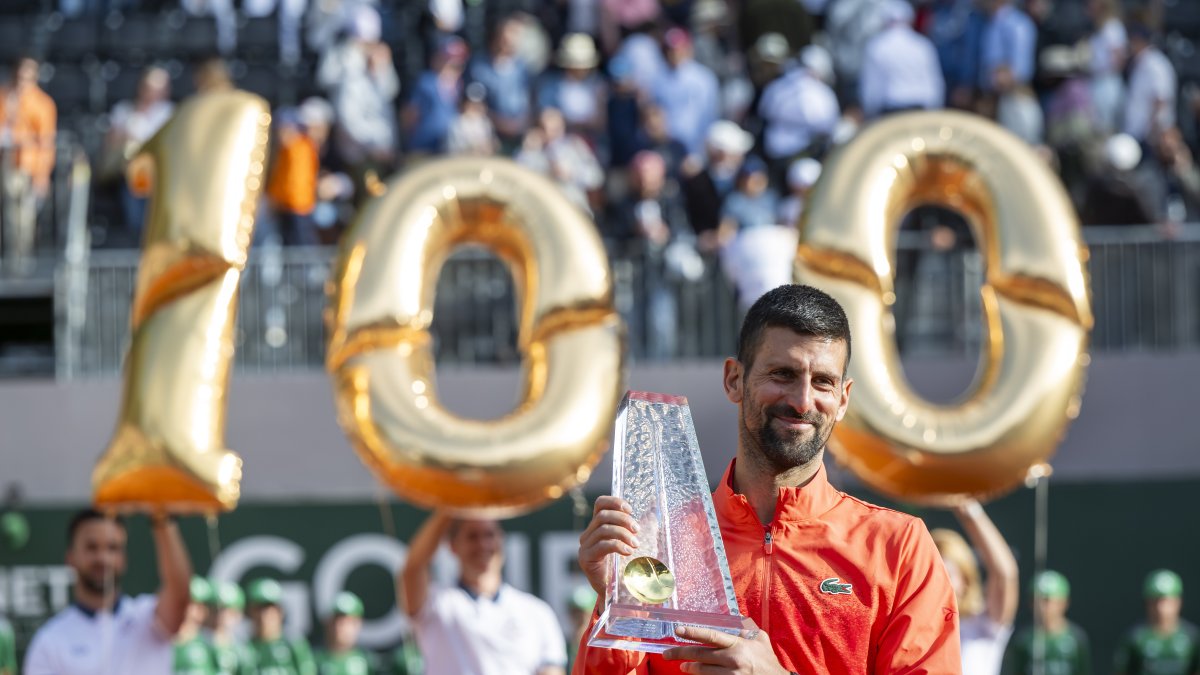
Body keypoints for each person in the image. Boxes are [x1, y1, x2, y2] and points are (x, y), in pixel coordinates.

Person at [573, 284, 961, 673]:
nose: (803, 401)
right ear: (734, 380)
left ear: (843, 399)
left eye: (823, 381)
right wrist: (618, 601)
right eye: (783, 374)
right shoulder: (663, 544)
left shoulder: (898, 548)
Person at [23, 509, 192, 673]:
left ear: (124, 558)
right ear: (71, 557)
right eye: (92, 547)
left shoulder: (147, 617)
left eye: (112, 548)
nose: (103, 558)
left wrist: (163, 520)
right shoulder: (49, 641)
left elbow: (180, 594)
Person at [399, 513, 568, 674]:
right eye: (472, 536)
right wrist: (450, 505)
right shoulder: (436, 603)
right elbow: (414, 568)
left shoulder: (537, 612)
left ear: (501, 540)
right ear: (452, 545)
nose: (483, 545)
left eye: (489, 535)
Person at [931, 499, 1019, 675]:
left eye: (948, 575)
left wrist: (969, 511)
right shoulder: (912, 628)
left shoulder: (982, 624)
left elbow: (1005, 575)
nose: (938, 584)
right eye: (931, 576)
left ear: (965, 581)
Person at [0, 54, 56, 270]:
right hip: (3, 163)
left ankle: (19, 264)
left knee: (20, 219)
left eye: (28, 76)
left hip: (23, 167)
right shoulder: (4, 97)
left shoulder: (42, 104)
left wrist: (41, 176)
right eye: (20, 75)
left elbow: (46, 143)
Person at [103, 65, 173, 235]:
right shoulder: (124, 110)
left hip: (160, 175)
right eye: (148, 87)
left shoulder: (169, 112)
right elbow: (110, 144)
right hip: (131, 173)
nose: (151, 92)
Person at [859, 0, 945, 119]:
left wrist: (870, 113)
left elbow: (872, 90)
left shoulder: (876, 46)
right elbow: (934, 84)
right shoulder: (922, 45)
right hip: (920, 110)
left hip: (891, 113)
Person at [1000, 570, 1091, 675]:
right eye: (1036, 600)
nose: (1041, 607)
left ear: (1064, 602)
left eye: (1047, 600)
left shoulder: (1076, 639)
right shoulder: (1023, 640)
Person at [1113, 569, 1199, 675]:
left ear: (1178, 602)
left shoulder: (1193, 638)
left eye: (1166, 601)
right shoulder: (1135, 639)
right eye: (1155, 601)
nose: (1160, 608)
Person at [244, 579, 317, 675]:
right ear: (249, 612)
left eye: (268, 608)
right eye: (258, 609)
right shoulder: (244, 649)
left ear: (280, 611)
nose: (263, 615)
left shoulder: (294, 644)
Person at [315, 592, 379, 675]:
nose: (338, 627)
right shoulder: (314, 660)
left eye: (345, 622)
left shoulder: (368, 659)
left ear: (357, 624)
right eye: (335, 621)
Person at [175, 577, 219, 675]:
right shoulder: (162, 643)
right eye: (189, 602)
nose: (190, 609)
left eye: (201, 605)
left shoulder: (210, 646)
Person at [209, 580, 251, 675]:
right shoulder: (200, 645)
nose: (221, 615)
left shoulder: (243, 648)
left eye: (228, 610)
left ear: (239, 614)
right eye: (216, 609)